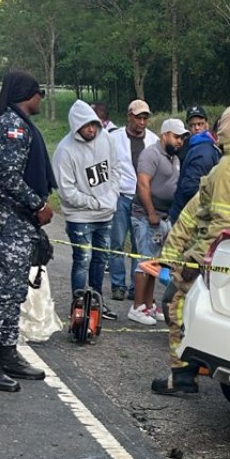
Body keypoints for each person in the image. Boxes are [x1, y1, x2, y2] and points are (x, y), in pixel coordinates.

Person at [150, 105, 230, 394]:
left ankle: (181, 377)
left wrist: (191, 259)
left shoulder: (229, 168)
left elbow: (222, 224)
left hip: (215, 255)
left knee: (178, 307)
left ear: (227, 128)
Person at [0, 71, 55, 392]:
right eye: (39, 93)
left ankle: (7, 354)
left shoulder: (19, 123)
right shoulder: (12, 127)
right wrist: (38, 204)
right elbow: (7, 178)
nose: (41, 98)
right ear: (27, 94)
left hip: (22, 223)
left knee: (15, 293)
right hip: (12, 220)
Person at [53, 100, 120, 319]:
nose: (91, 129)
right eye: (86, 125)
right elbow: (66, 191)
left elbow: (116, 170)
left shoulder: (107, 139)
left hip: (106, 212)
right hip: (80, 215)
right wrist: (95, 202)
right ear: (76, 125)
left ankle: (97, 301)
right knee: (83, 258)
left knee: (101, 258)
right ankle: (79, 304)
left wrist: (112, 196)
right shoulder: (65, 151)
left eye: (94, 124)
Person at [127, 118, 188, 325]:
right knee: (144, 261)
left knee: (154, 262)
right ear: (165, 135)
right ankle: (137, 307)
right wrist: (151, 212)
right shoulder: (150, 154)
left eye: (181, 138)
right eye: (176, 136)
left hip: (163, 215)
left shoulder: (174, 158)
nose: (179, 141)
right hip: (145, 215)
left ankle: (148, 304)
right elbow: (143, 184)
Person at [107, 100, 159, 301]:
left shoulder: (153, 140)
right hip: (121, 196)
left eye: (145, 118)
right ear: (129, 117)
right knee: (117, 242)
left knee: (140, 245)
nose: (142, 122)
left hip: (143, 199)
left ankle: (134, 288)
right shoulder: (114, 138)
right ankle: (118, 285)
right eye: (138, 118)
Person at [169, 105, 221, 223]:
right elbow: (189, 187)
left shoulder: (210, 147)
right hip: (187, 213)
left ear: (207, 124)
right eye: (192, 125)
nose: (197, 128)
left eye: (200, 124)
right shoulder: (185, 147)